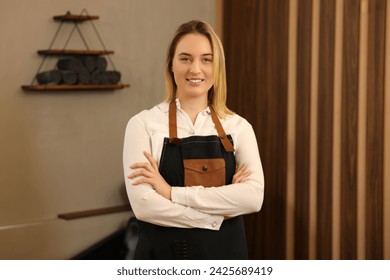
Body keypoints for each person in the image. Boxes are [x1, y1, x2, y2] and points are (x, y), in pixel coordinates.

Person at [123, 20, 264, 260]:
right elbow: (145, 206)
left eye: (206, 59)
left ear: (217, 66)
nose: (195, 70)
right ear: (171, 65)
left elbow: (252, 199)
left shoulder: (239, 127)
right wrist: (218, 213)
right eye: (185, 58)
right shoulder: (142, 125)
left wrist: (171, 193)